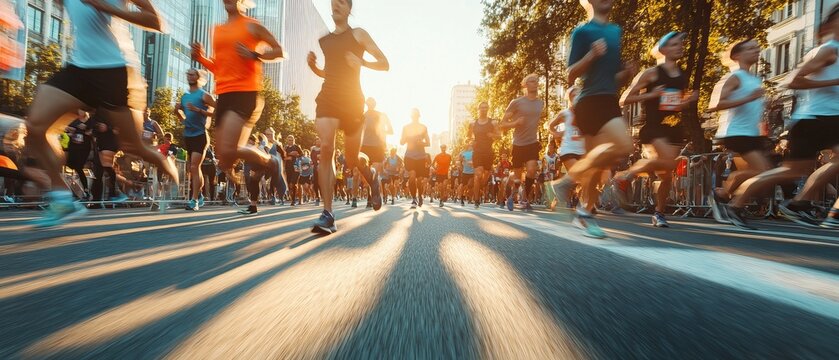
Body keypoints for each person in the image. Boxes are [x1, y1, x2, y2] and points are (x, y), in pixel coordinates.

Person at [23, 0, 179, 227]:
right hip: (79, 70)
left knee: (134, 147)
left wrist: (106, 7)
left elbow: (156, 21)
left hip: (115, 71)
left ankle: (170, 169)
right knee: (35, 127)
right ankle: (61, 196)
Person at [726, 5, 839, 230]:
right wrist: (833, 82)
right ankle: (736, 204)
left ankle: (801, 203)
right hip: (813, 120)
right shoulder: (828, 50)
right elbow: (794, 81)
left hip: (832, 118)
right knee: (790, 172)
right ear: (833, 22)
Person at [550, 0, 636, 238]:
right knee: (599, 165)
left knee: (608, 157)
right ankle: (583, 209)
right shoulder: (582, 32)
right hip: (588, 103)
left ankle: (574, 197)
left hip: (609, 100)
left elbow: (612, 78)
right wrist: (590, 55)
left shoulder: (615, 31)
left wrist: (626, 73)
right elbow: (571, 74)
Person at [191, 0, 286, 216]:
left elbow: (279, 51)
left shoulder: (252, 25)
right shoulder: (218, 30)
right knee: (224, 159)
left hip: (245, 92)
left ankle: (270, 161)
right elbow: (220, 67)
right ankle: (267, 160)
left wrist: (255, 55)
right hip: (223, 94)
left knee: (229, 149)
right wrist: (201, 59)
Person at [307, 0, 389, 233]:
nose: (336, 5)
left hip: (352, 101)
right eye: (333, 2)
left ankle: (372, 176)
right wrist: (315, 69)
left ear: (350, 8)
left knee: (352, 160)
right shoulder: (325, 40)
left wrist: (361, 61)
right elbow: (330, 72)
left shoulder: (359, 34)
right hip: (327, 98)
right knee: (326, 148)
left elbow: (385, 64)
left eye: (342, 2)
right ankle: (328, 213)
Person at [614, 31, 698, 228]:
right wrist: (651, 94)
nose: (680, 47)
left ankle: (659, 213)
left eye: (681, 44)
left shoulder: (682, 75)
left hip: (673, 128)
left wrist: (688, 102)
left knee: (667, 174)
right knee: (668, 161)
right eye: (675, 44)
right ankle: (624, 176)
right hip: (652, 127)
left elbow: (674, 105)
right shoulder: (651, 73)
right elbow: (624, 99)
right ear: (663, 49)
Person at [706, 39, 770, 224]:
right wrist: (749, 97)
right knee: (763, 170)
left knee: (751, 172)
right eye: (751, 49)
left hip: (752, 133)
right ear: (737, 55)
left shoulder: (754, 78)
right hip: (736, 131)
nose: (756, 51)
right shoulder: (734, 77)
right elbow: (716, 105)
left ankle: (722, 193)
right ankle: (736, 206)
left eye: (757, 48)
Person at [498, 74, 544, 212]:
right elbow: (502, 124)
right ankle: (511, 193)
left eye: (536, 81)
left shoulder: (540, 103)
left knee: (531, 170)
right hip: (518, 143)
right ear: (525, 85)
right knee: (517, 178)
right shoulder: (516, 102)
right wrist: (516, 123)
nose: (535, 83)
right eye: (531, 81)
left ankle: (525, 199)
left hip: (532, 143)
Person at [175, 68, 216, 211]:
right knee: (192, 169)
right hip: (188, 136)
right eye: (188, 74)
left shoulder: (204, 95)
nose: (189, 76)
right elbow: (184, 121)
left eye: (193, 74)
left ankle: (194, 201)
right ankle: (199, 196)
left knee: (194, 167)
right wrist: (177, 112)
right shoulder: (184, 96)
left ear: (199, 78)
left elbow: (217, 110)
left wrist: (199, 110)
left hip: (200, 135)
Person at [548, 87, 586, 210]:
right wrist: (557, 134)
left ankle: (558, 192)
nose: (576, 97)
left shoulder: (585, 112)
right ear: (569, 98)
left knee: (581, 177)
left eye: (578, 94)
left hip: (582, 150)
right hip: (568, 149)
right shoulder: (565, 113)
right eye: (573, 95)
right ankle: (583, 204)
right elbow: (550, 125)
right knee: (580, 175)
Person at [358, 97, 393, 207]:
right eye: (369, 102)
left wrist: (380, 131)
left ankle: (372, 197)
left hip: (378, 146)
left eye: (372, 102)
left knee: (375, 173)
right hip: (364, 146)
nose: (370, 104)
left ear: (375, 103)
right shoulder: (362, 116)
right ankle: (371, 194)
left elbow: (391, 130)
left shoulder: (382, 115)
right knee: (366, 173)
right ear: (366, 104)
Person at [469, 101, 500, 209]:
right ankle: (476, 200)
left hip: (488, 152)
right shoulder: (473, 124)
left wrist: (493, 135)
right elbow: (468, 137)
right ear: (478, 109)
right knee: (478, 174)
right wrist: (471, 141)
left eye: (486, 107)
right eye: (481, 107)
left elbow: (499, 135)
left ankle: (480, 187)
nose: (483, 109)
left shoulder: (493, 123)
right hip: (477, 152)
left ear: (488, 109)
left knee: (486, 175)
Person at [401, 108, 430, 209]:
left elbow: (428, 142)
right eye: (413, 115)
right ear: (411, 116)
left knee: (419, 180)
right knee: (412, 177)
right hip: (409, 156)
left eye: (416, 115)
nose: (415, 117)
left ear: (419, 116)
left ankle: (420, 195)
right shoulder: (406, 127)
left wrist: (421, 143)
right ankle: (414, 198)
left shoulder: (423, 127)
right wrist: (406, 138)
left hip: (421, 156)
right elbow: (401, 142)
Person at [64, 110, 94, 199]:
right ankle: (77, 189)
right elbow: (66, 129)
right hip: (73, 147)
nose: (80, 111)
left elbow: (91, 132)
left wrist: (84, 131)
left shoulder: (90, 121)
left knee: (79, 167)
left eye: (82, 110)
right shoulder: (73, 120)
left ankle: (86, 190)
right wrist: (69, 131)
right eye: (79, 110)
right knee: (70, 165)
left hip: (84, 148)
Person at [284, 135, 303, 206]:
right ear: (287, 140)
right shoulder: (285, 148)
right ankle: (293, 198)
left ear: (294, 140)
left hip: (296, 167)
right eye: (289, 140)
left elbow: (302, 154)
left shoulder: (296, 147)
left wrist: (297, 155)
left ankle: (294, 200)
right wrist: (289, 155)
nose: (290, 141)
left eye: (292, 140)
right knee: (289, 185)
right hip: (288, 168)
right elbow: (283, 156)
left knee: (293, 183)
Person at [459, 142, 476, 206]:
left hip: (472, 172)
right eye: (469, 145)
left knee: (470, 185)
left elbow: (476, 160)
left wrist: (473, 164)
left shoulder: (474, 152)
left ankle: (470, 199)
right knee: (464, 186)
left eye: (471, 145)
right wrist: (462, 160)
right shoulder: (463, 153)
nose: (470, 146)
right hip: (465, 172)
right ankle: (462, 198)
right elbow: (459, 160)